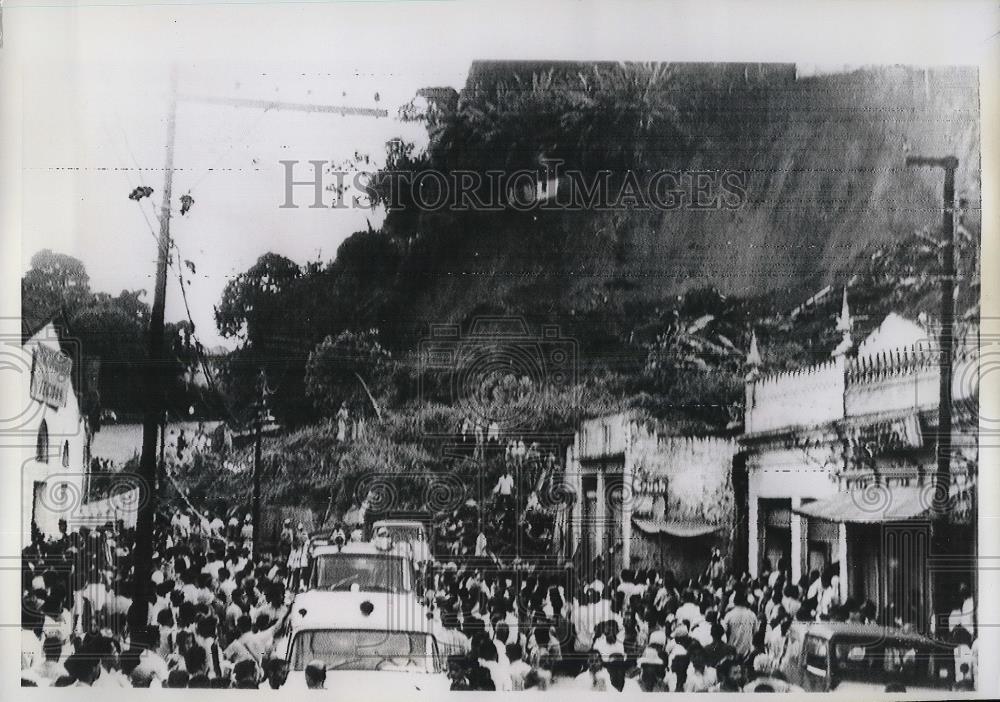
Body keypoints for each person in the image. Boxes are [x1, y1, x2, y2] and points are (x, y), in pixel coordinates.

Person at [723, 591, 757, 659]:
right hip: (747, 653)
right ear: (745, 601)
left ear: (734, 602)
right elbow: (755, 632)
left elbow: (724, 633)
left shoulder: (729, 615)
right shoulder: (752, 615)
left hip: (732, 652)